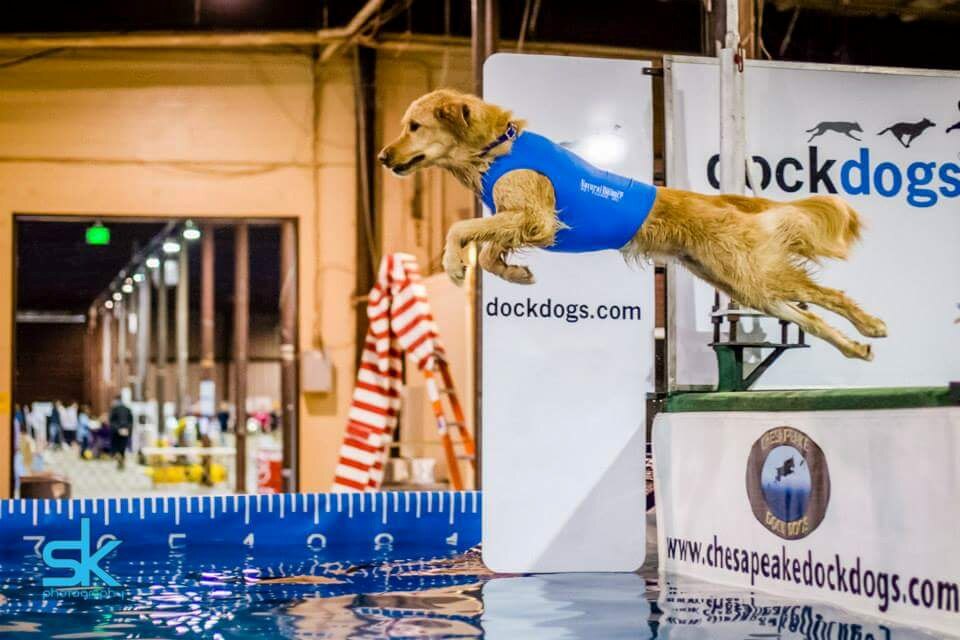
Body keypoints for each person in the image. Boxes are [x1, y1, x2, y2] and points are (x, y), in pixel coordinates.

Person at [108, 395, 134, 470]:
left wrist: (117, 429)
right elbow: (131, 421)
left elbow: (111, 421)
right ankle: (121, 462)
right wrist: (128, 430)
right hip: (125, 431)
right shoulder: (127, 409)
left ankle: (119, 460)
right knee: (122, 448)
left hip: (116, 432)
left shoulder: (114, 409)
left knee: (116, 448)